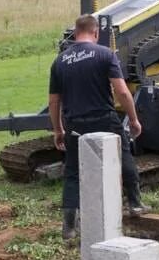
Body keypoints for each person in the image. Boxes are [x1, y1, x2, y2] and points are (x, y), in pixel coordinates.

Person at [47, 13, 144, 238]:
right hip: (104, 119)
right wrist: (134, 119)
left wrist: (59, 130)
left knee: (72, 171)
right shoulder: (105, 54)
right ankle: (135, 203)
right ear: (96, 32)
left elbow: (53, 101)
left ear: (75, 32)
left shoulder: (59, 61)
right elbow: (121, 91)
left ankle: (69, 226)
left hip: (75, 124)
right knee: (124, 156)